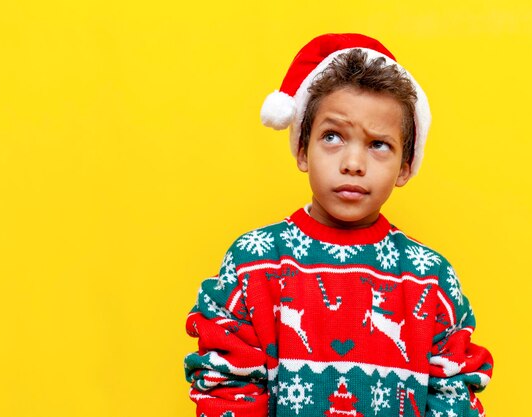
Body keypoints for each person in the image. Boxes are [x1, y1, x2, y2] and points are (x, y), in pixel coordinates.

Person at [183, 33, 493, 417]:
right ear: (301, 149)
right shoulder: (254, 263)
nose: (353, 162)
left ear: (406, 166)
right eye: (332, 136)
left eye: (379, 144)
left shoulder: (430, 279)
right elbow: (225, 388)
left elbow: (455, 393)